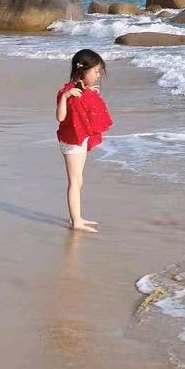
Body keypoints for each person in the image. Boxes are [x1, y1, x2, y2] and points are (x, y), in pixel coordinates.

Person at [55, 49, 112, 233]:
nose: (98, 75)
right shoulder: (67, 91)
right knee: (74, 181)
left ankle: (77, 216)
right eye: (95, 71)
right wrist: (65, 97)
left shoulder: (81, 89)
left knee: (79, 180)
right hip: (71, 141)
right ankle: (76, 221)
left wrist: (87, 91)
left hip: (81, 139)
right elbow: (60, 117)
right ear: (82, 70)